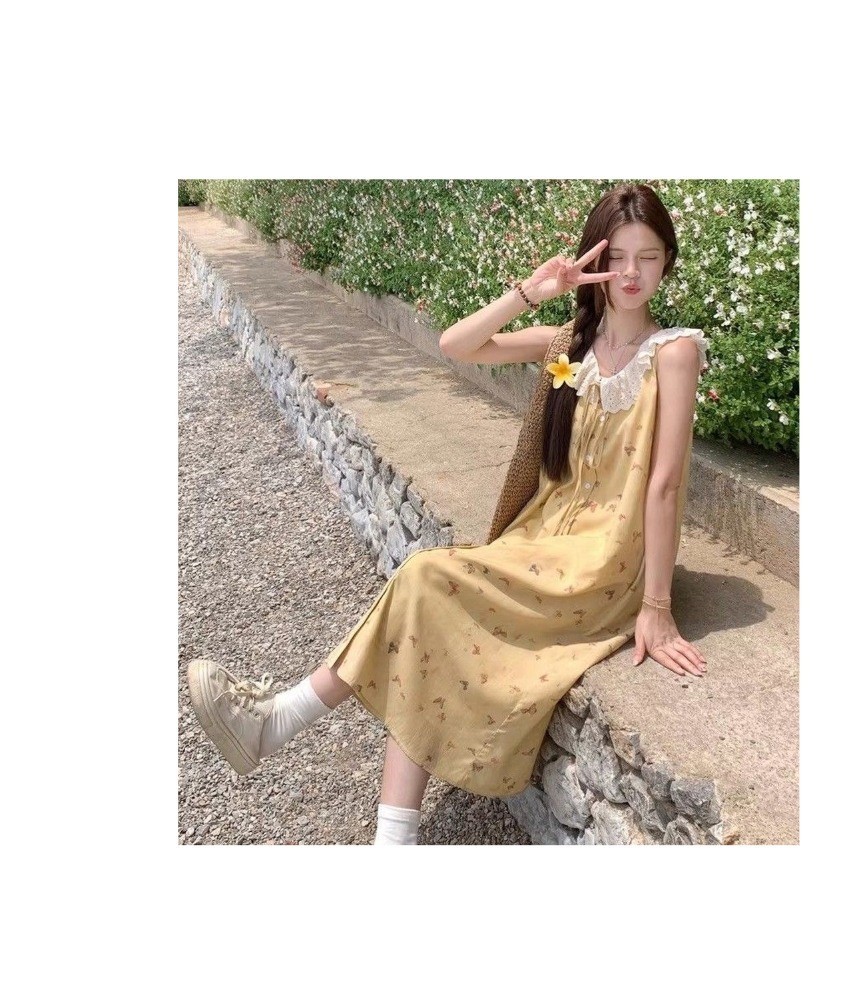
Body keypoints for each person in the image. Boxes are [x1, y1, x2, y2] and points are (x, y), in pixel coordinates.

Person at [186, 182, 709, 846]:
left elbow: (663, 485)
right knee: (425, 598)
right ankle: (362, 812)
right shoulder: (571, 344)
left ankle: (281, 723)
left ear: (668, 262)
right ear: (593, 260)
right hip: (545, 538)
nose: (632, 274)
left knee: (425, 579)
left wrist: (656, 606)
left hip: (603, 562)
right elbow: (457, 345)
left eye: (649, 257)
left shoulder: (674, 353)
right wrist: (532, 291)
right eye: (618, 257)